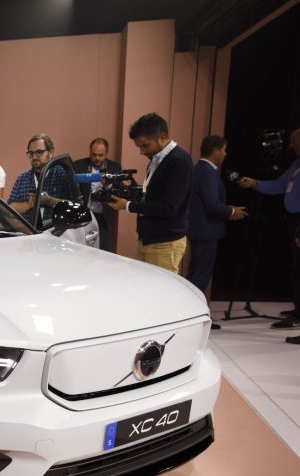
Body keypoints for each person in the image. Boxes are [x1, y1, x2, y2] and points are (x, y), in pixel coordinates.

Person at [108, 113, 193, 274]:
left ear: (163, 137)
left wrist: (128, 205)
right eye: (139, 147)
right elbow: (154, 196)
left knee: (160, 289)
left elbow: (168, 207)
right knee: (141, 286)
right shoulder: (157, 159)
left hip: (165, 243)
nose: (141, 152)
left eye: (145, 145)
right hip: (149, 239)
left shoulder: (179, 161)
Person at [238, 128, 300, 332]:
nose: (291, 146)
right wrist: (256, 183)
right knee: (296, 267)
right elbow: (279, 185)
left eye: (294, 142)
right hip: (293, 221)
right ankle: (298, 309)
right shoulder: (296, 164)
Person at [186, 135, 248, 329]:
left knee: (196, 273)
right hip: (207, 230)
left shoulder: (200, 169)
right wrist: (231, 212)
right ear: (216, 150)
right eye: (224, 149)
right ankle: (194, 318)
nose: (225, 154)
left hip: (201, 229)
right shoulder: (207, 172)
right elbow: (212, 204)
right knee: (200, 275)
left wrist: (228, 208)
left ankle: (191, 316)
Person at [72, 138, 122, 251]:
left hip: (104, 218)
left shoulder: (115, 168)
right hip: (84, 216)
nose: (97, 158)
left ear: (106, 153)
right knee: (82, 250)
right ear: (89, 152)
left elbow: (117, 192)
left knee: (104, 250)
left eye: (101, 155)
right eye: (94, 154)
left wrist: (107, 185)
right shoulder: (78, 166)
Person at [7, 134, 68, 218]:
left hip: (55, 225)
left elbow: (74, 205)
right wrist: (28, 204)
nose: (34, 157)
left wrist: (49, 200)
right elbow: (9, 209)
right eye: (31, 153)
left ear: (50, 153)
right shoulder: (22, 178)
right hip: (29, 226)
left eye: (39, 152)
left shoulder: (62, 174)